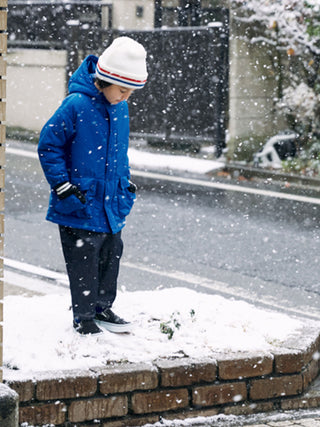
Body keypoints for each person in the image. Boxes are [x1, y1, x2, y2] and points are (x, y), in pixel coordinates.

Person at [38, 36, 148, 335]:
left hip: (111, 200)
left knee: (111, 254)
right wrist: (62, 185)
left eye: (131, 92)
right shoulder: (75, 105)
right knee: (83, 258)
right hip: (80, 199)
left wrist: (125, 184)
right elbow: (49, 146)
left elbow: (119, 153)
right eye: (122, 89)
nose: (125, 97)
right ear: (104, 79)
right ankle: (83, 316)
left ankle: (102, 307)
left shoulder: (120, 108)